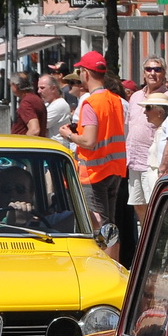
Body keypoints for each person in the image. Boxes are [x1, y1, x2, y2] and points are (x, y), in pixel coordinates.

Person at [60, 50, 128, 247]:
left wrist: (68, 135)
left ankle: (103, 262)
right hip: (114, 169)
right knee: (109, 226)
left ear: (86, 73)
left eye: (80, 71)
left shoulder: (91, 103)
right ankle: (112, 261)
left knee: (97, 225)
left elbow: (89, 141)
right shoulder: (115, 100)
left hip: (94, 172)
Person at [126, 58, 168, 227]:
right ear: (143, 73)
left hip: (152, 163)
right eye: (149, 69)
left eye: (157, 69)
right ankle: (146, 238)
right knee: (138, 205)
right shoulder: (135, 96)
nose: (153, 73)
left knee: (155, 207)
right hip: (134, 160)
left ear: (164, 73)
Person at [37, 73, 70, 144]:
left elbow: (39, 124)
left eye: (42, 88)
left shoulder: (60, 104)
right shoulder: (47, 104)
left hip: (57, 147)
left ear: (53, 88)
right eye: (38, 88)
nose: (39, 91)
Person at [12, 73, 46, 138]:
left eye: (11, 84)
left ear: (15, 86)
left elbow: (34, 130)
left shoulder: (27, 102)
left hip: (25, 144)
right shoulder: (35, 99)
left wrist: (23, 143)